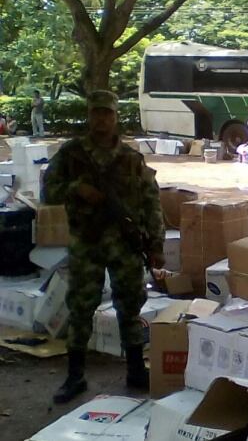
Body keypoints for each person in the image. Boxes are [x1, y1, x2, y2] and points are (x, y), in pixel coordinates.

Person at [44, 90, 165, 404]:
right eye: (96, 113)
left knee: (130, 306)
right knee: (81, 307)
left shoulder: (131, 158)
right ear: (89, 115)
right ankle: (75, 376)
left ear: (115, 117)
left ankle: (136, 370)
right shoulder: (72, 154)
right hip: (87, 243)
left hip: (124, 245)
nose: (102, 119)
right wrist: (77, 189)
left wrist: (156, 245)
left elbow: (152, 203)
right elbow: (48, 192)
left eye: (107, 113)